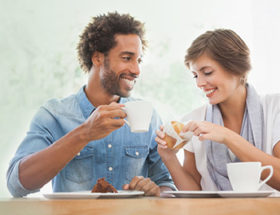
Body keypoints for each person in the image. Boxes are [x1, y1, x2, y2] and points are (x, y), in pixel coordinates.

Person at [7, 12, 175, 197]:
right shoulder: (54, 114)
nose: (136, 70)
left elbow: (166, 184)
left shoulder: (148, 117)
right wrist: (84, 133)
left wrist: (154, 191)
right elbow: (17, 185)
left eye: (139, 60)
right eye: (127, 58)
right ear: (97, 58)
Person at [156, 29, 280, 191]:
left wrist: (227, 136)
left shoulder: (274, 108)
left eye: (207, 72)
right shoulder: (195, 120)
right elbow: (193, 193)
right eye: (195, 75)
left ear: (237, 68)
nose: (199, 83)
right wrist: (169, 158)